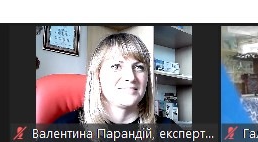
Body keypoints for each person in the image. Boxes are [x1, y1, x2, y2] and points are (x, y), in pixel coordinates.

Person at [49, 32, 179, 128]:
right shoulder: (64, 128)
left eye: (139, 67)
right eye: (116, 66)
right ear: (97, 75)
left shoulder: (168, 129)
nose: (130, 77)